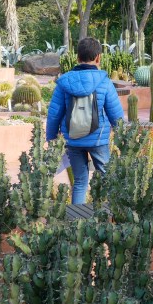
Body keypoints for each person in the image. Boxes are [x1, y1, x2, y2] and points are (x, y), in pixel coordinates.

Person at [46, 37, 125, 204]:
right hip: (98, 139)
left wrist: (51, 138)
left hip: (73, 140)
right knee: (108, 179)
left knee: (80, 182)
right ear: (98, 58)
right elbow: (115, 113)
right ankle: (112, 219)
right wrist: (123, 137)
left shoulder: (64, 82)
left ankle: (77, 223)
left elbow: (54, 113)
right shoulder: (104, 81)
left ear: (77, 58)